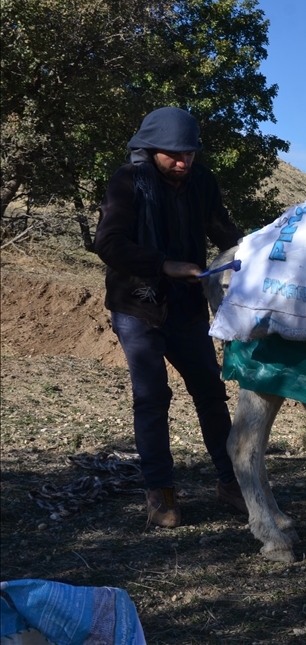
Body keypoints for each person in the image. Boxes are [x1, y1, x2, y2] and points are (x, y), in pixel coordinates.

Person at [94, 107, 247, 528]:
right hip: (137, 305)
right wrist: (164, 264)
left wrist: (254, 252)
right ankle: (160, 491)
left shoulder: (201, 182)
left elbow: (223, 230)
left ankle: (231, 481)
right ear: (150, 149)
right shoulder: (128, 181)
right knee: (152, 397)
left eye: (190, 154)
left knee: (211, 394)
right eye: (173, 154)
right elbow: (107, 243)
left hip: (186, 308)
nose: (183, 162)